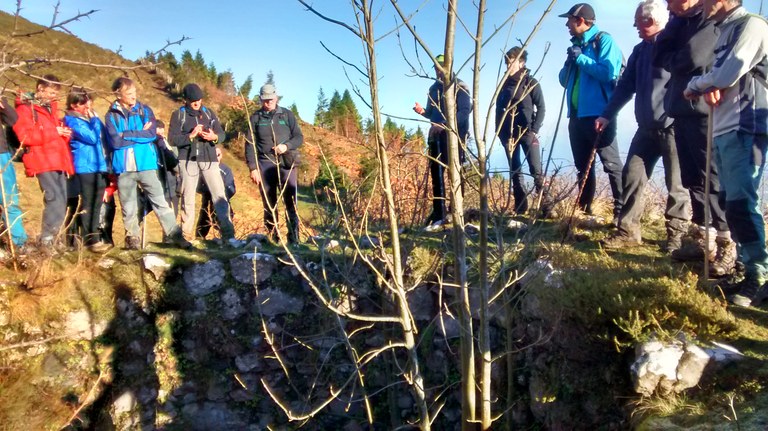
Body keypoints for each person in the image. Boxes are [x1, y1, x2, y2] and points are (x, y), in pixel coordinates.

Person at [684, 0, 768, 307]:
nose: (702, 3)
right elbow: (721, 77)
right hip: (723, 126)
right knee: (731, 200)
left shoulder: (753, 25)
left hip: (746, 123)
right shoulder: (724, 31)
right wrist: (710, 85)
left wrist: (698, 83)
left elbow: (728, 72)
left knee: (742, 202)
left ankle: (757, 276)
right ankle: (750, 272)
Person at [598, 0, 691, 251]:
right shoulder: (639, 51)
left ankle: (676, 237)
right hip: (645, 128)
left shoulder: (676, 44)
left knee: (677, 183)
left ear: (652, 21)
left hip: (673, 125)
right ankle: (628, 232)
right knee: (632, 174)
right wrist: (606, 114)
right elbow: (625, 86)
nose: (635, 26)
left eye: (639, 21)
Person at [654, 0, 735, 276]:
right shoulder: (682, 21)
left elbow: (693, 57)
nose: (667, 6)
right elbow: (660, 52)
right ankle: (704, 239)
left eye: (671, 1)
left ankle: (727, 246)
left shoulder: (708, 18)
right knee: (692, 179)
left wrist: (673, 56)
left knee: (710, 177)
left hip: (703, 110)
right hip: (680, 107)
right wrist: (674, 29)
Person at [104, 77, 191, 250]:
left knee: (160, 202)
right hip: (124, 167)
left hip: (147, 164)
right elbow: (114, 142)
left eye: (135, 92)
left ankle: (174, 235)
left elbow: (151, 134)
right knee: (128, 206)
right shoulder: (111, 116)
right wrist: (138, 135)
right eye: (129, 94)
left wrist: (126, 134)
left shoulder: (145, 110)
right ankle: (132, 239)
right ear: (118, 94)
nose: (133, 96)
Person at [558, 3, 625, 222]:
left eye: (569, 20)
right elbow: (563, 81)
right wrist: (570, 62)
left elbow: (608, 72)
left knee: (611, 164)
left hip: (599, 113)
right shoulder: (577, 45)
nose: (567, 25)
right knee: (582, 166)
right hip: (576, 116)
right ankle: (584, 211)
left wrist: (580, 58)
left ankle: (622, 213)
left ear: (580, 20)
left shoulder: (603, 41)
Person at [12, 74, 74, 251]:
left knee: (62, 201)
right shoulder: (25, 108)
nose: (54, 95)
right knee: (53, 199)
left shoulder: (50, 109)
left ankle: (54, 239)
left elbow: (53, 134)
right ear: (40, 88)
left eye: (56, 92)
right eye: (51, 91)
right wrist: (55, 132)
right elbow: (26, 136)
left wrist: (63, 135)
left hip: (58, 159)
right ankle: (46, 240)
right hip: (42, 160)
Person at [413, 54, 472, 229]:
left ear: (449, 66)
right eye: (436, 68)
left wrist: (445, 125)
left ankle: (457, 211)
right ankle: (439, 213)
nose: (438, 71)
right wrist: (422, 112)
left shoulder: (459, 86)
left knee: (455, 172)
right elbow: (432, 113)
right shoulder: (432, 89)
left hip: (456, 136)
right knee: (436, 174)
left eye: (441, 67)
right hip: (435, 135)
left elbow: (464, 111)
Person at [169, 83, 234, 241]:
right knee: (188, 197)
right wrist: (190, 136)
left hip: (209, 158)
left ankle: (228, 233)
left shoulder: (209, 113)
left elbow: (222, 134)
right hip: (187, 159)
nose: (197, 103)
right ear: (186, 100)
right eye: (193, 101)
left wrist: (214, 137)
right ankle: (186, 236)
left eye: (199, 100)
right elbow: (172, 139)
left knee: (219, 194)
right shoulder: (178, 115)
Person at [245, 84, 303, 244]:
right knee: (269, 203)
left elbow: (299, 137)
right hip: (264, 164)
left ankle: (294, 239)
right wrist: (253, 167)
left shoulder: (287, 115)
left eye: (270, 99)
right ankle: (273, 239)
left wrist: (286, 146)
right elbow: (249, 144)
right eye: (264, 100)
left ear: (276, 97)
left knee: (291, 202)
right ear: (260, 99)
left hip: (287, 164)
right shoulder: (255, 118)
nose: (268, 102)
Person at [495, 47, 546, 215]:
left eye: (512, 61)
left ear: (521, 62)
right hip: (508, 136)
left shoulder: (530, 82)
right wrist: (501, 135)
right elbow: (498, 110)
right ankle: (520, 208)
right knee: (515, 171)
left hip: (527, 133)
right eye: (507, 62)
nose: (508, 65)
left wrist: (534, 129)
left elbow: (542, 107)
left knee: (535, 169)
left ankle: (546, 206)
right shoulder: (503, 85)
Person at [63, 89, 111, 252]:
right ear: (73, 104)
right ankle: (85, 239)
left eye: (88, 101)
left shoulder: (86, 120)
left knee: (97, 204)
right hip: (84, 166)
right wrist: (96, 120)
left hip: (98, 165)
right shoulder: (72, 120)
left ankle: (94, 238)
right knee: (88, 203)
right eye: (83, 102)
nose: (87, 105)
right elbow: (91, 138)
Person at [0, 95, 27, 251]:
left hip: (1, 155)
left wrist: (3, 103)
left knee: (9, 199)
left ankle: (19, 243)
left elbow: (13, 119)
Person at [196, 146, 235, 239]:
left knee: (225, 219)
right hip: (207, 202)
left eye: (218, 155)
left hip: (222, 201)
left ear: (221, 156)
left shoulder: (226, 169)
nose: (216, 157)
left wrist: (222, 194)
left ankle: (228, 238)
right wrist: (209, 191)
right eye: (214, 155)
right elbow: (198, 187)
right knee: (203, 221)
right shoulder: (204, 169)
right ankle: (199, 239)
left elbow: (232, 188)